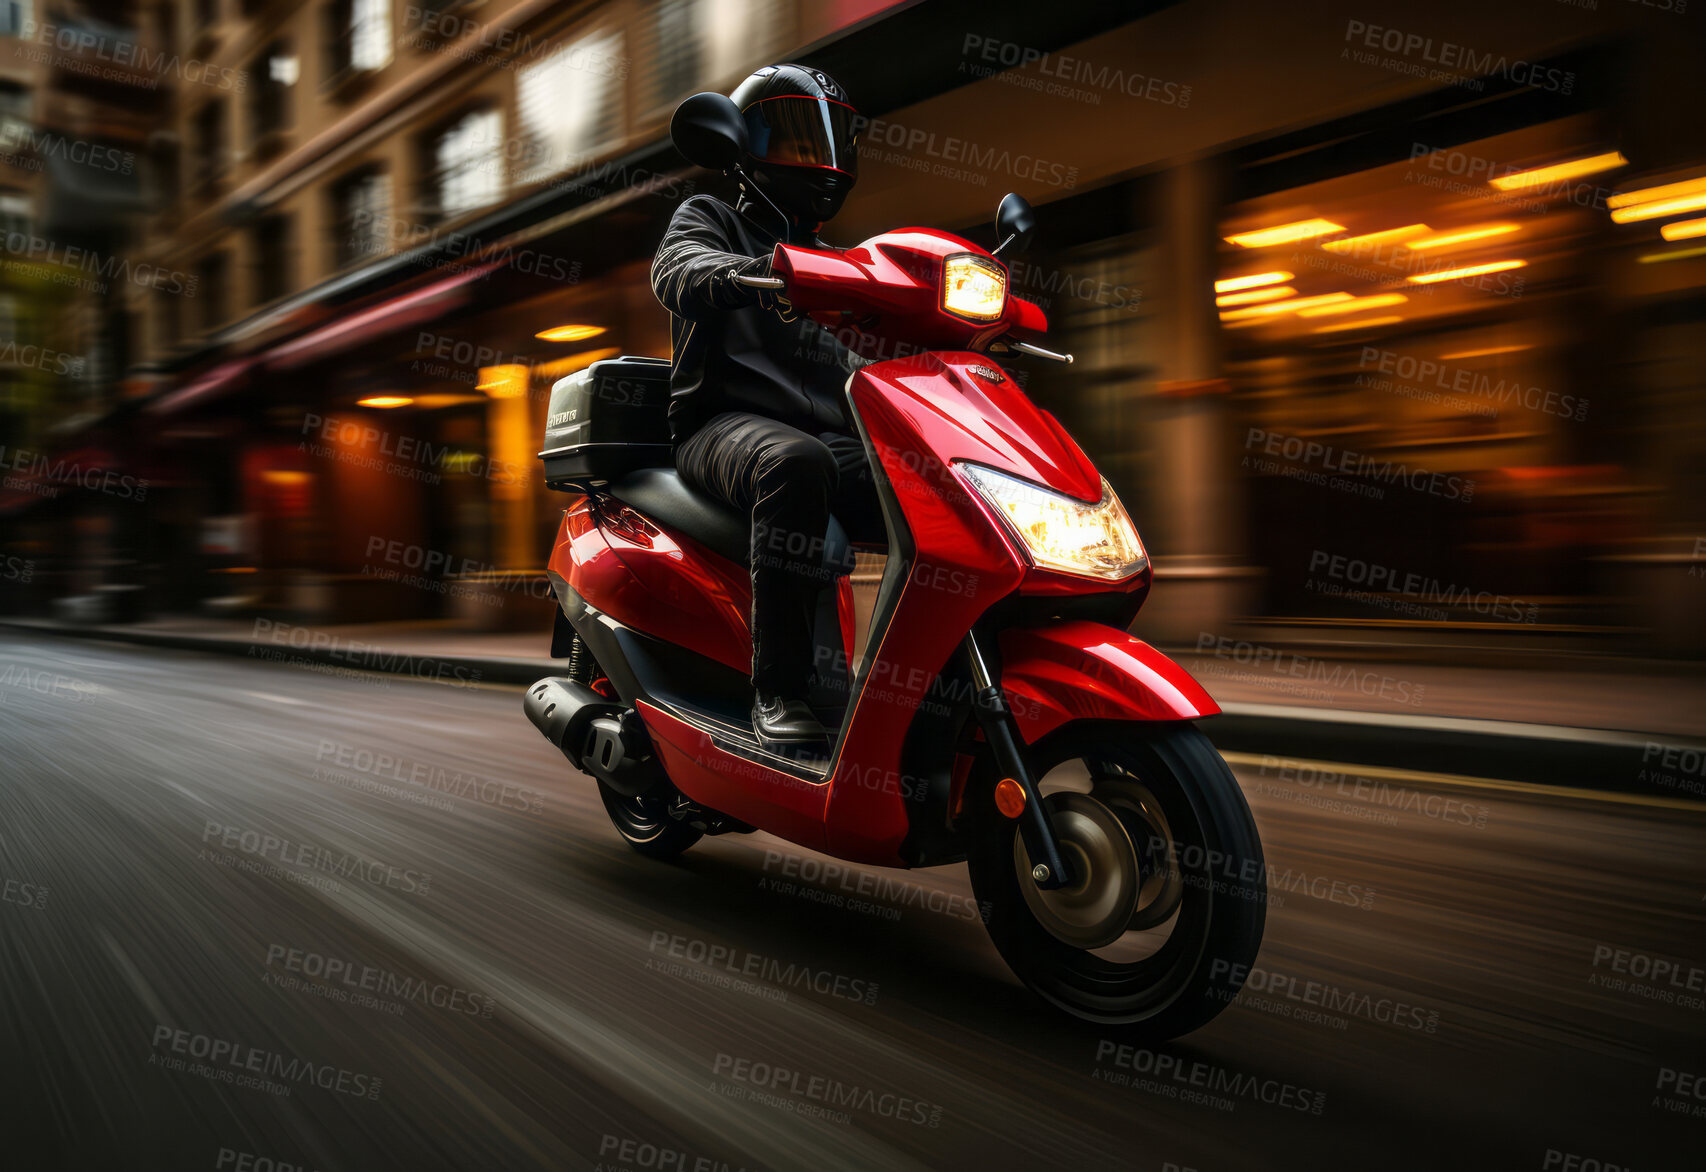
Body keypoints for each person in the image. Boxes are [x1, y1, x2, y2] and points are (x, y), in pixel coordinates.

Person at [649, 64, 880, 750]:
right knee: (795, 461)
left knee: (932, 478)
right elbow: (676, 268)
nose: (823, 161)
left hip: (820, 436)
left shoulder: (841, 261)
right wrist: (739, 273)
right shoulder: (710, 218)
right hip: (719, 429)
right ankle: (778, 690)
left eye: (833, 141)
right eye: (802, 141)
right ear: (745, 146)